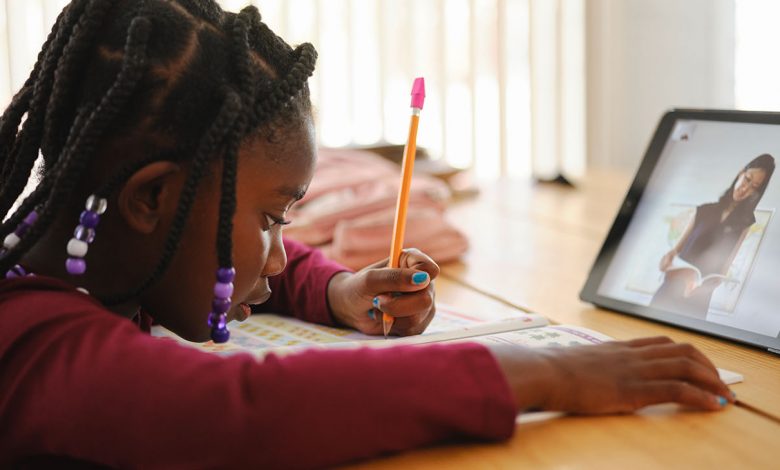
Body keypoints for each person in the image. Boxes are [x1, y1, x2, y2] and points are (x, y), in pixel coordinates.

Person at [0, 1, 733, 467]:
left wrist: (339, 290)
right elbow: (241, 412)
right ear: (152, 198)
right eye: (268, 218)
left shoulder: (85, 255)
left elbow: (241, 266)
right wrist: (540, 372)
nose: (282, 250)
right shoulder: (31, 341)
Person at [652, 154, 775, 318]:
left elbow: (723, 271)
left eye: (754, 186)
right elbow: (673, 253)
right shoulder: (703, 210)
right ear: (740, 173)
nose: (745, 189)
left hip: (698, 299)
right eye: (747, 179)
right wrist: (666, 261)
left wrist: (702, 289)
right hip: (670, 290)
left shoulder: (745, 223)